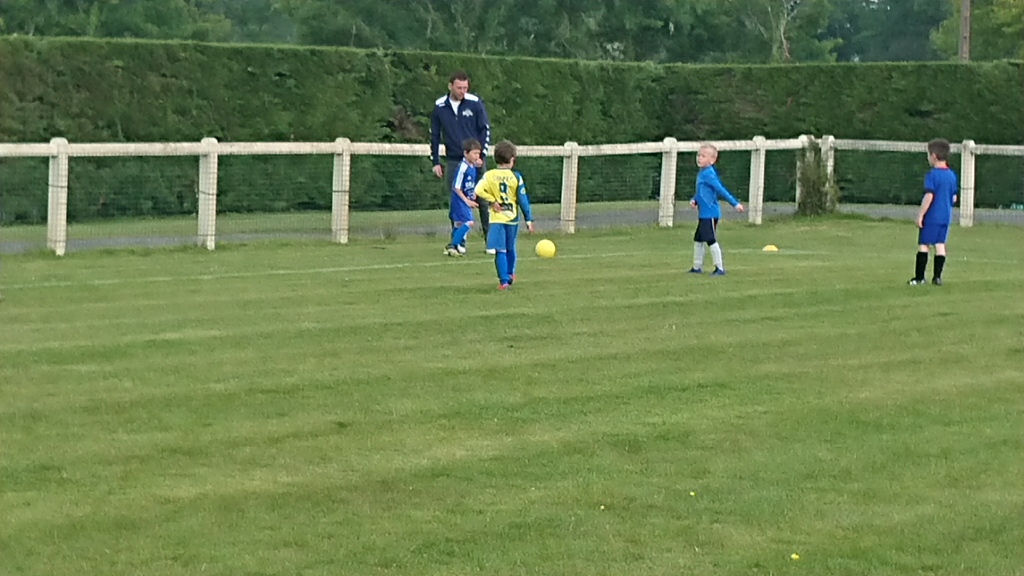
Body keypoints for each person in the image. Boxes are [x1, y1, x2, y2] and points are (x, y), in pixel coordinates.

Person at [430, 70, 493, 253]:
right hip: (454, 160)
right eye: (459, 88)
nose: (462, 91)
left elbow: (485, 129)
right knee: (457, 201)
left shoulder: (475, 103)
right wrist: (435, 161)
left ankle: (490, 241)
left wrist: (481, 155)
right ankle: (459, 242)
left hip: (476, 161)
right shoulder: (440, 106)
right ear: (450, 86)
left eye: (465, 88)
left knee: (482, 200)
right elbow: (434, 135)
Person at [473, 140, 534, 289]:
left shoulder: (489, 175)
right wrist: (528, 219)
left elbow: (478, 190)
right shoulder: (516, 177)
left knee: (500, 250)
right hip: (511, 218)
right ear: (512, 159)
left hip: (496, 219)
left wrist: (492, 200)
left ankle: (504, 281)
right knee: (510, 247)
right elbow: (523, 200)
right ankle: (510, 273)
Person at [688, 144, 744, 276]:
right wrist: (694, 200)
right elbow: (702, 192)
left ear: (712, 160)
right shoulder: (702, 173)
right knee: (698, 239)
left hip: (710, 214)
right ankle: (696, 267)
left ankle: (720, 268)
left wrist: (735, 203)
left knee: (710, 239)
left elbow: (720, 189)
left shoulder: (709, 174)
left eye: (703, 156)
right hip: (703, 214)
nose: (699, 158)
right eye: (698, 155)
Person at [909, 138, 958, 286]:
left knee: (924, 244)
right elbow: (954, 197)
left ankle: (919, 277)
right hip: (945, 216)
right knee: (940, 244)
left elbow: (929, 196)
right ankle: (937, 277)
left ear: (934, 156)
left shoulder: (933, 175)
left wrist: (921, 215)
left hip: (932, 216)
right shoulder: (951, 175)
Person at [445, 138, 482, 257]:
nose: (477, 156)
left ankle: (457, 245)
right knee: (468, 222)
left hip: (465, 200)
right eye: (474, 153)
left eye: (478, 153)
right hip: (460, 200)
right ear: (466, 153)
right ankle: (452, 245)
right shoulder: (463, 167)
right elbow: (456, 187)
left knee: (459, 224)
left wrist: (473, 194)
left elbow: (468, 184)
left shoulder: (472, 166)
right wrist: (466, 201)